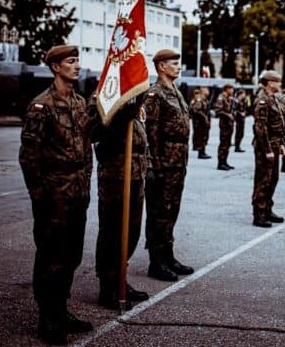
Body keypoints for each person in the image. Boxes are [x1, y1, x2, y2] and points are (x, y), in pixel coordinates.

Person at [19, 45, 94, 345]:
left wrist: (85, 182)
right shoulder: (41, 105)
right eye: (70, 61)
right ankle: (48, 318)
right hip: (53, 195)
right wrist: (39, 194)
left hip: (77, 193)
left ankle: (61, 310)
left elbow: (88, 143)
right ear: (55, 67)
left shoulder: (78, 103)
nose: (77, 66)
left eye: (77, 61)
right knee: (51, 256)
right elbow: (29, 156)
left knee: (71, 256)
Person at [89, 95, 150, 310]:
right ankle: (108, 286)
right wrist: (123, 114)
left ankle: (120, 279)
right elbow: (95, 132)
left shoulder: (135, 97)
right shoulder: (104, 96)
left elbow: (142, 139)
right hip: (115, 177)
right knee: (112, 231)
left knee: (131, 231)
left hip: (135, 176)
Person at [143, 49, 194, 282]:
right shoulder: (155, 94)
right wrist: (154, 167)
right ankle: (156, 261)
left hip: (177, 162)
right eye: (173, 63)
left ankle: (168, 255)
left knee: (172, 210)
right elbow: (150, 134)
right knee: (158, 213)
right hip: (164, 162)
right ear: (161, 66)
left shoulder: (176, 92)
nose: (178, 66)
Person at [251, 70, 285, 227]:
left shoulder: (273, 98)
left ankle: (267, 209)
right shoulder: (262, 100)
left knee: (273, 179)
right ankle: (258, 214)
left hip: (275, 144)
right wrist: (267, 150)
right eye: (278, 82)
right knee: (263, 180)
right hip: (265, 146)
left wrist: (281, 144)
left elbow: (278, 124)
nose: (280, 84)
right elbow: (260, 128)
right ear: (271, 83)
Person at [214, 83, 235, 170]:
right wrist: (228, 115)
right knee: (223, 144)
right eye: (231, 89)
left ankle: (225, 161)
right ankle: (220, 163)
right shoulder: (221, 97)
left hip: (229, 125)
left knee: (227, 144)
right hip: (224, 124)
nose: (232, 91)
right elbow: (218, 111)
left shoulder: (228, 98)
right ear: (227, 89)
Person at [190, 88, 212, 159]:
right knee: (200, 136)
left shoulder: (204, 99)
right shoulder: (199, 99)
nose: (208, 91)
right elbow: (196, 109)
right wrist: (204, 117)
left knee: (203, 136)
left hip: (203, 121)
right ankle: (201, 152)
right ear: (203, 91)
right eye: (207, 90)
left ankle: (202, 151)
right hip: (199, 121)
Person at [234, 89, 248, 153]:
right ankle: (237, 146)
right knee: (238, 133)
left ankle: (238, 145)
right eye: (243, 94)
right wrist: (240, 113)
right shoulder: (236, 101)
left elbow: (246, 108)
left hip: (242, 119)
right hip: (238, 118)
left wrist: (244, 112)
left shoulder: (244, 101)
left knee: (241, 133)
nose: (244, 95)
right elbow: (234, 110)